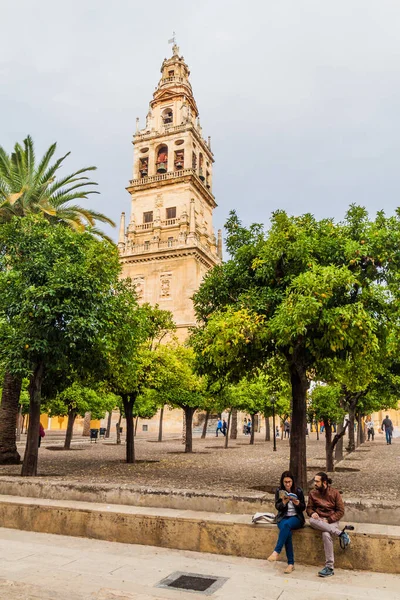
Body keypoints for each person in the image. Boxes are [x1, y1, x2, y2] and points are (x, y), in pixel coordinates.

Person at [307, 472, 350, 578]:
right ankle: (341, 534)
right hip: (318, 520)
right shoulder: (313, 493)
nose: (315, 483)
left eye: (317, 481)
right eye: (314, 481)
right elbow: (309, 508)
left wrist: (329, 519)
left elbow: (340, 511)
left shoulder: (335, 493)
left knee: (326, 534)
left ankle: (329, 567)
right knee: (311, 520)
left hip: (331, 521)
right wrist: (312, 513)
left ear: (324, 482)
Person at [267, 470, 305, 574]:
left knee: (287, 525)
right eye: (285, 482)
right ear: (282, 482)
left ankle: (276, 551)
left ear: (292, 481)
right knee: (286, 530)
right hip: (283, 517)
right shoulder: (279, 491)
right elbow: (277, 506)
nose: (287, 484)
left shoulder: (298, 491)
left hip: (296, 518)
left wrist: (297, 503)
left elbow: (303, 507)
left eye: (289, 482)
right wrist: (283, 502)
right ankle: (290, 564)